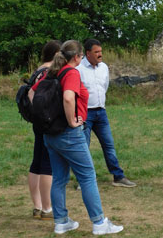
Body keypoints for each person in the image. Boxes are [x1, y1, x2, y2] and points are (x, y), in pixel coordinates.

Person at [29, 40, 124, 235]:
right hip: (69, 135)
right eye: (81, 56)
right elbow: (68, 98)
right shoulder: (71, 72)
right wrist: (71, 121)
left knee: (59, 178)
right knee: (88, 176)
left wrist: (46, 118)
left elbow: (32, 92)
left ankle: (61, 221)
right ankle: (99, 223)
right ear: (77, 57)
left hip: (50, 134)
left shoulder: (52, 71)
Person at [76, 39, 136, 188]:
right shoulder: (79, 69)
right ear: (88, 53)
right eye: (96, 52)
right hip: (85, 114)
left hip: (101, 112)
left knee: (109, 145)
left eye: (101, 52)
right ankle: (83, 180)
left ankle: (118, 176)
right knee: (84, 146)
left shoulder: (104, 68)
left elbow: (105, 87)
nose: (100, 55)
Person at [28, 40, 61, 220]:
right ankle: (47, 208)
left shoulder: (37, 70)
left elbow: (30, 94)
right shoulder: (49, 71)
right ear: (55, 53)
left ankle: (37, 206)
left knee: (36, 163)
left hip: (36, 121)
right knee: (47, 165)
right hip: (47, 122)